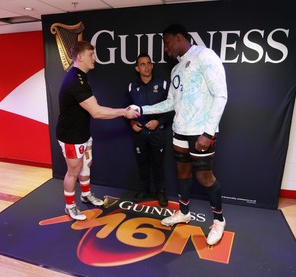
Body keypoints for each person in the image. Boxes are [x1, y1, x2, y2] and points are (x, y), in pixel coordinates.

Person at [130, 24, 228, 246]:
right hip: (179, 132)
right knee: (182, 174)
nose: (166, 49)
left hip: (201, 133)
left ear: (179, 38)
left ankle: (219, 220)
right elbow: (170, 102)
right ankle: (184, 213)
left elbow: (220, 95)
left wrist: (208, 132)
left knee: (204, 177)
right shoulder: (176, 69)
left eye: (167, 43)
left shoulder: (205, 56)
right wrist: (142, 110)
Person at [56, 40, 139, 221]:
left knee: (87, 164)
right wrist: (124, 112)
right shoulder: (75, 80)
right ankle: (69, 206)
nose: (94, 58)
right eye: (90, 55)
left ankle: (86, 194)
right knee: (73, 171)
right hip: (71, 136)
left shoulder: (81, 76)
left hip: (83, 132)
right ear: (80, 57)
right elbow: (97, 111)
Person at [127, 53, 173, 207]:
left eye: (148, 63)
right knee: (142, 163)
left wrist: (158, 121)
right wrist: (132, 122)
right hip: (139, 133)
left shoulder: (163, 84)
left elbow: (171, 108)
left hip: (157, 132)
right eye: (142, 64)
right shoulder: (132, 87)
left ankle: (161, 192)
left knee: (158, 164)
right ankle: (144, 189)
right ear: (137, 68)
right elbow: (126, 109)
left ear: (152, 65)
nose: (146, 67)